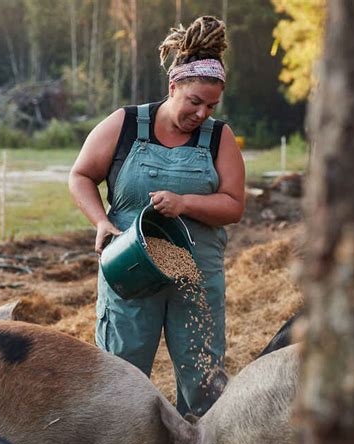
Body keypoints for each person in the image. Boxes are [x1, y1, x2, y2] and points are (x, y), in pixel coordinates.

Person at [69, 16, 245, 417]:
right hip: (131, 271)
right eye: (194, 102)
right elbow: (80, 176)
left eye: (211, 106)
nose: (202, 114)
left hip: (196, 277)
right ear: (172, 88)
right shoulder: (127, 124)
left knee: (204, 381)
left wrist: (184, 204)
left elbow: (233, 205)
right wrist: (101, 221)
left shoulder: (220, 137)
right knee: (120, 375)